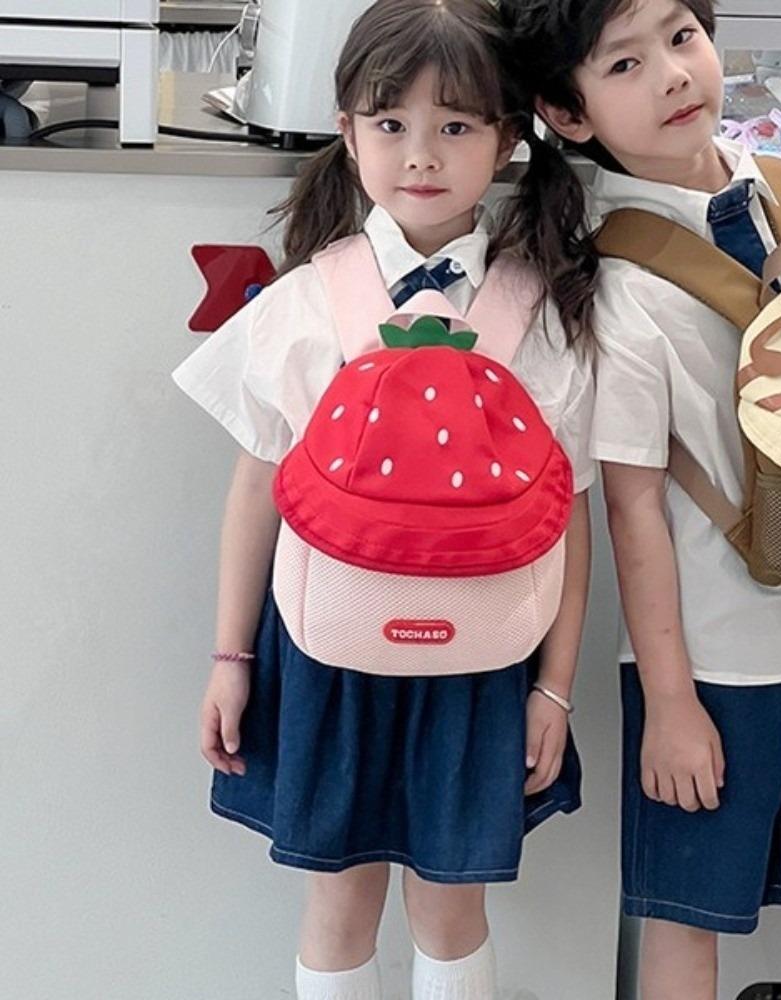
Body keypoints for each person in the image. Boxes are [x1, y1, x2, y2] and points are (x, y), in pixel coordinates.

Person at [172, 2, 597, 998]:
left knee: (453, 910)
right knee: (339, 905)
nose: (421, 153)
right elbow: (257, 488)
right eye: (391, 121)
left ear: (507, 137)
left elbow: (567, 515)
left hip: (488, 661)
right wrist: (230, 659)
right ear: (348, 128)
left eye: (456, 124)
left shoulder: (540, 312)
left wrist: (554, 688)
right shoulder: (305, 301)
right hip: (323, 651)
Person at [501, 1, 781, 997]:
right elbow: (631, 509)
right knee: (687, 918)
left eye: (681, 38)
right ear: (567, 112)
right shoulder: (616, 279)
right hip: (713, 661)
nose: (674, 75)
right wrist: (671, 703)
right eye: (624, 65)